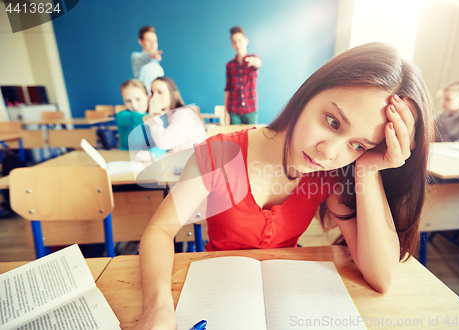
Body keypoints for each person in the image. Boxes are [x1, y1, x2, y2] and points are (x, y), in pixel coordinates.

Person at [133, 42, 434, 329]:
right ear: (309, 92)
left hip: (286, 298)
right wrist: (157, 306)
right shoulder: (219, 155)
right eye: (332, 122)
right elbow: (160, 230)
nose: (328, 153)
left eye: (357, 145)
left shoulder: (331, 174)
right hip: (217, 293)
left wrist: (368, 169)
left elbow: (382, 277)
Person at [141, 76, 208, 155]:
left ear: (172, 94)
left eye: (160, 92)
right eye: (152, 93)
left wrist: (153, 116)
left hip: (197, 163)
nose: (154, 97)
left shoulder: (184, 113)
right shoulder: (166, 115)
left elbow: (164, 143)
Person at [116, 79, 166, 161]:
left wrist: (152, 153)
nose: (134, 105)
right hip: (127, 160)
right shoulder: (121, 116)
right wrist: (145, 118)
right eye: (128, 101)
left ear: (148, 97)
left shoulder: (159, 116)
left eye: (138, 99)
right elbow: (132, 117)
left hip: (154, 160)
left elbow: (165, 144)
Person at [224, 26, 261, 125]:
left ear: (246, 41)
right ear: (232, 44)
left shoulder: (253, 58)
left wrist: (254, 61)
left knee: (252, 138)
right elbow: (228, 88)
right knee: (235, 140)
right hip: (234, 110)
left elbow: (258, 63)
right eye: (234, 42)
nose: (237, 44)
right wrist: (225, 112)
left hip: (251, 109)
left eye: (239, 40)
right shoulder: (229, 65)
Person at [131, 26, 165, 95]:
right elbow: (144, 58)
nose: (153, 44)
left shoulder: (158, 67)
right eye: (149, 41)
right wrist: (151, 55)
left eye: (155, 41)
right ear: (141, 41)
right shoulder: (136, 57)